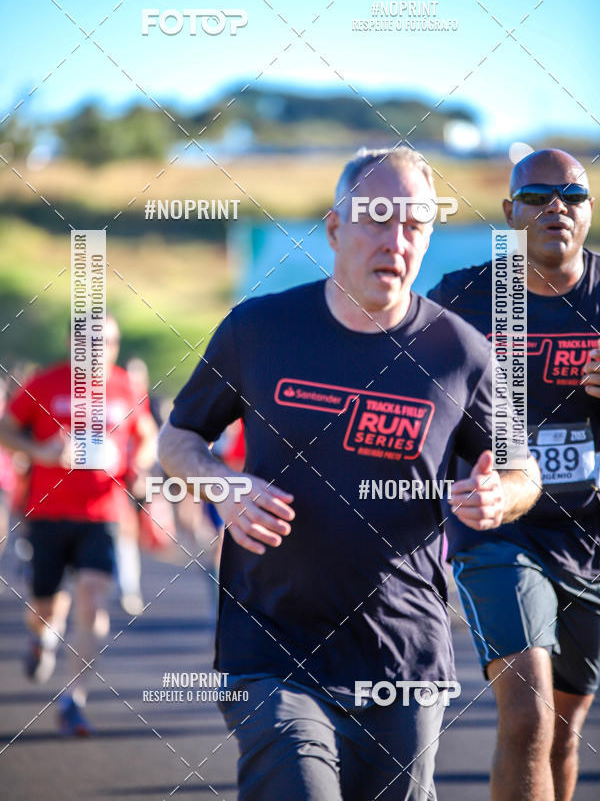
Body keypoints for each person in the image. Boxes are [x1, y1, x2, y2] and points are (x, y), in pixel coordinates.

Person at [158, 147, 540, 800]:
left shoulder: (461, 353)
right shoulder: (259, 328)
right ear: (336, 228)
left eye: (415, 224)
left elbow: (520, 469)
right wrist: (225, 486)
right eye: (377, 217)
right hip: (272, 647)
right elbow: (178, 437)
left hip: (404, 659)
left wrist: (497, 497)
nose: (396, 239)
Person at [428, 148, 599, 801]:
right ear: (510, 212)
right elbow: (407, 398)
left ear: (587, 211)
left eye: (573, 195)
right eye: (537, 196)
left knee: (564, 728)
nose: (556, 206)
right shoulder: (466, 300)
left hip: (591, 534)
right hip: (501, 527)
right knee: (527, 714)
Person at [0, 315, 156, 735]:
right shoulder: (47, 383)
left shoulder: (126, 386)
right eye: (93, 341)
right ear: (74, 343)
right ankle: (41, 636)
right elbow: (5, 429)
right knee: (45, 606)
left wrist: (138, 467)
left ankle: (74, 697)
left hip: (102, 514)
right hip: (48, 515)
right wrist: (40, 451)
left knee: (93, 601)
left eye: (110, 341)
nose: (103, 349)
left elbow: (148, 437)